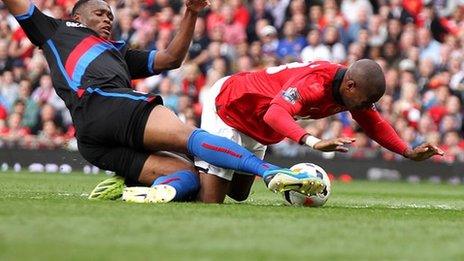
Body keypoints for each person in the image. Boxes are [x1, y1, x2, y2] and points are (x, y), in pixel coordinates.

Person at [2, 0, 324, 203]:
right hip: (108, 103)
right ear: (76, 15)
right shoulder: (54, 30)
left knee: (189, 179)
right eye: (100, 13)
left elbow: (171, 58)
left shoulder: (118, 51)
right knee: (191, 138)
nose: (107, 19)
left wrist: (190, 12)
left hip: (92, 140)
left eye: (111, 15)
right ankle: (269, 171)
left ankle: (132, 191)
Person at [197, 59, 445, 203]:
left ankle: (200, 162)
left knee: (239, 194)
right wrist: (314, 142)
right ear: (350, 86)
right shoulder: (316, 83)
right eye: (367, 100)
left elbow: (375, 124)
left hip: (259, 124)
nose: (369, 107)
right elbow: (274, 113)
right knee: (211, 199)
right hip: (230, 106)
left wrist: (408, 151)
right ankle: (182, 159)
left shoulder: (350, 92)